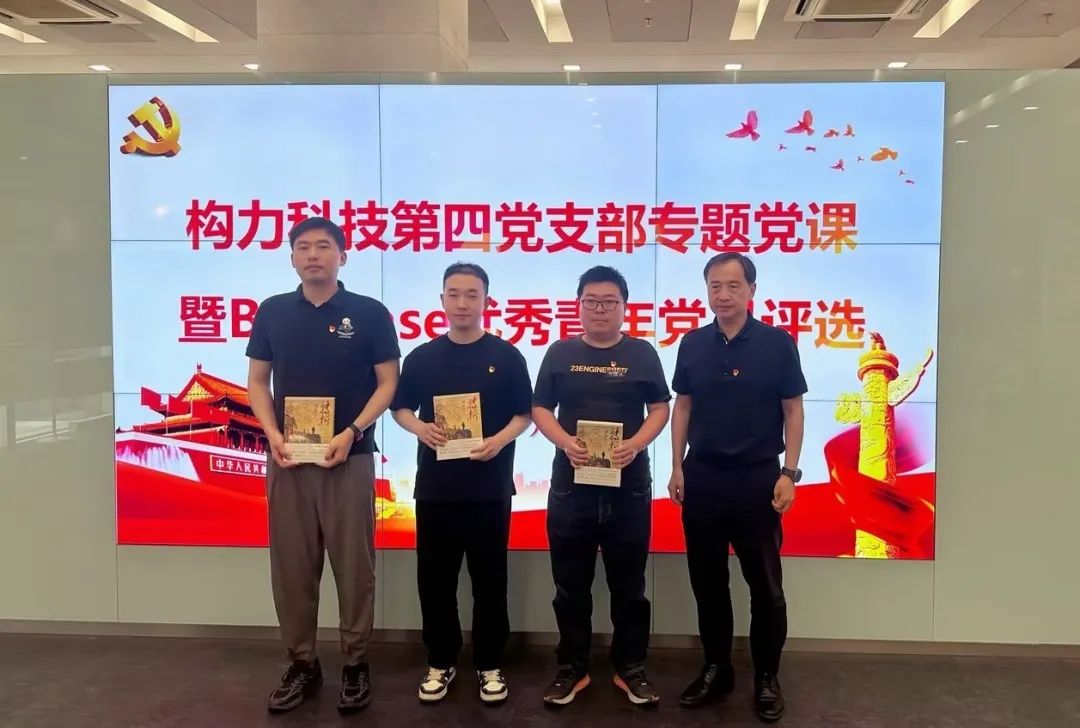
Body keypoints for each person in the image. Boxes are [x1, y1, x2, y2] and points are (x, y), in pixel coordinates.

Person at [246, 216, 400, 714]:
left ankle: (355, 662)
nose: (313, 255)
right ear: (292, 257)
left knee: (354, 568)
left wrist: (352, 430)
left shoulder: (369, 313)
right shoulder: (272, 312)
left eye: (324, 246)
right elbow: (257, 382)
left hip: (348, 457)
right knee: (292, 567)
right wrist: (272, 435)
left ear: (343, 255)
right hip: (289, 461)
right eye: (304, 247)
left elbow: (388, 383)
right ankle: (302, 663)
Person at [668, 252, 806, 723]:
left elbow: (793, 410)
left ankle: (767, 676)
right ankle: (717, 668)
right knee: (708, 584)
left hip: (758, 480)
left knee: (765, 586)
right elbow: (683, 407)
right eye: (715, 286)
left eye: (733, 286)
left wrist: (789, 472)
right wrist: (677, 467)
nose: (723, 295)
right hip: (703, 478)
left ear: (751, 290)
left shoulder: (777, 343)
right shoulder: (692, 343)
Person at [391, 262, 532, 705]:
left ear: (487, 301)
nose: (462, 303)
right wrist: (420, 428)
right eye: (453, 294)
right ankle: (441, 660)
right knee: (435, 581)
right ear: (442, 301)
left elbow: (524, 414)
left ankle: (489, 663)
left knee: (490, 580)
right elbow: (400, 408)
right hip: (436, 489)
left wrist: (499, 441)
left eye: (472, 295)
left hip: (490, 488)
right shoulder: (423, 357)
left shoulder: (506, 356)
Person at [532, 266, 671, 707]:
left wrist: (637, 443)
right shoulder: (560, 352)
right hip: (571, 488)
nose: (599, 309)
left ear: (624, 307)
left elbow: (660, 408)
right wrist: (564, 441)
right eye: (590, 301)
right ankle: (572, 668)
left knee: (629, 587)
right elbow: (540, 408)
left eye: (609, 302)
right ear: (578, 305)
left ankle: (630, 667)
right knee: (570, 586)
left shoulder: (642, 353)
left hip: (628, 486)